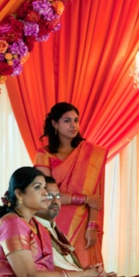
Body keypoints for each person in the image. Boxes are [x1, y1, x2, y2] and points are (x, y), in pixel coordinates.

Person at [34, 102, 107, 267]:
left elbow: (96, 197)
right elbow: (49, 195)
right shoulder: (44, 155)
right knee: (60, 273)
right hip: (54, 222)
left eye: (76, 120)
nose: (73, 125)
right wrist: (85, 199)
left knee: (86, 272)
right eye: (67, 120)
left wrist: (92, 226)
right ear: (55, 123)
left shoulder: (91, 153)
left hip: (83, 225)